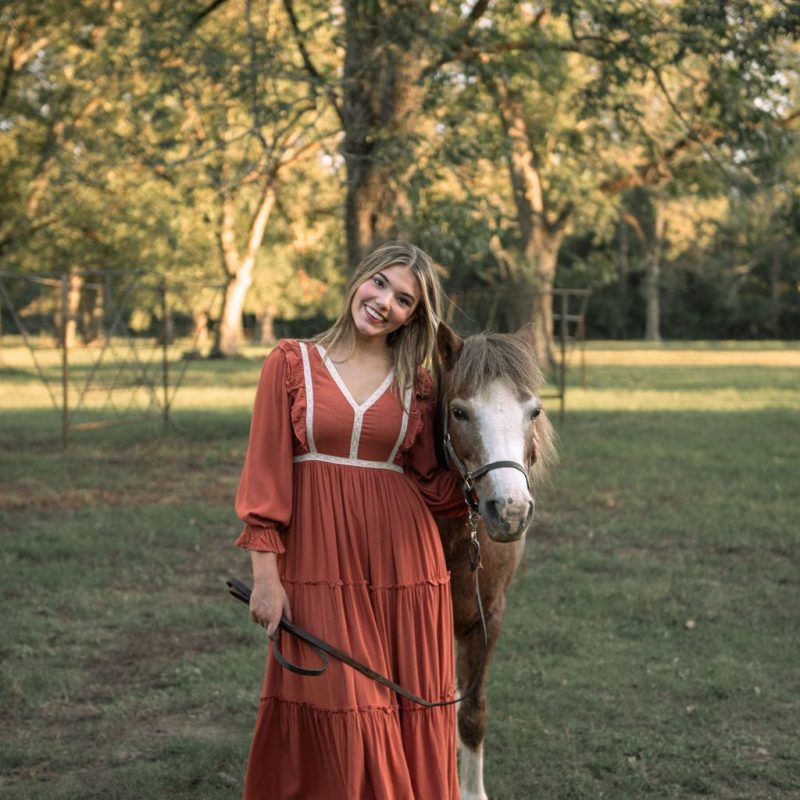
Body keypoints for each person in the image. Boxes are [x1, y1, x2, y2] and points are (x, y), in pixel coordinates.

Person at [234, 241, 467, 799]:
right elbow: (264, 479)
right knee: (346, 702)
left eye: (404, 300)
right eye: (380, 284)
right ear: (359, 280)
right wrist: (265, 578)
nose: (385, 302)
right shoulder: (291, 363)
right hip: (318, 562)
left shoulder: (420, 383)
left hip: (404, 568)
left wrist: (502, 469)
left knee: (402, 701)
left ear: (413, 315)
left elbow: (433, 484)